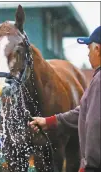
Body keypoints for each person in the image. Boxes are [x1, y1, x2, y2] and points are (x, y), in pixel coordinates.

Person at [28, 26, 101, 172]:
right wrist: (49, 121)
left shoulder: (99, 80)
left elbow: (94, 123)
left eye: (89, 49)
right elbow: (84, 112)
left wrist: (89, 166)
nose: (88, 55)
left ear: (98, 49)